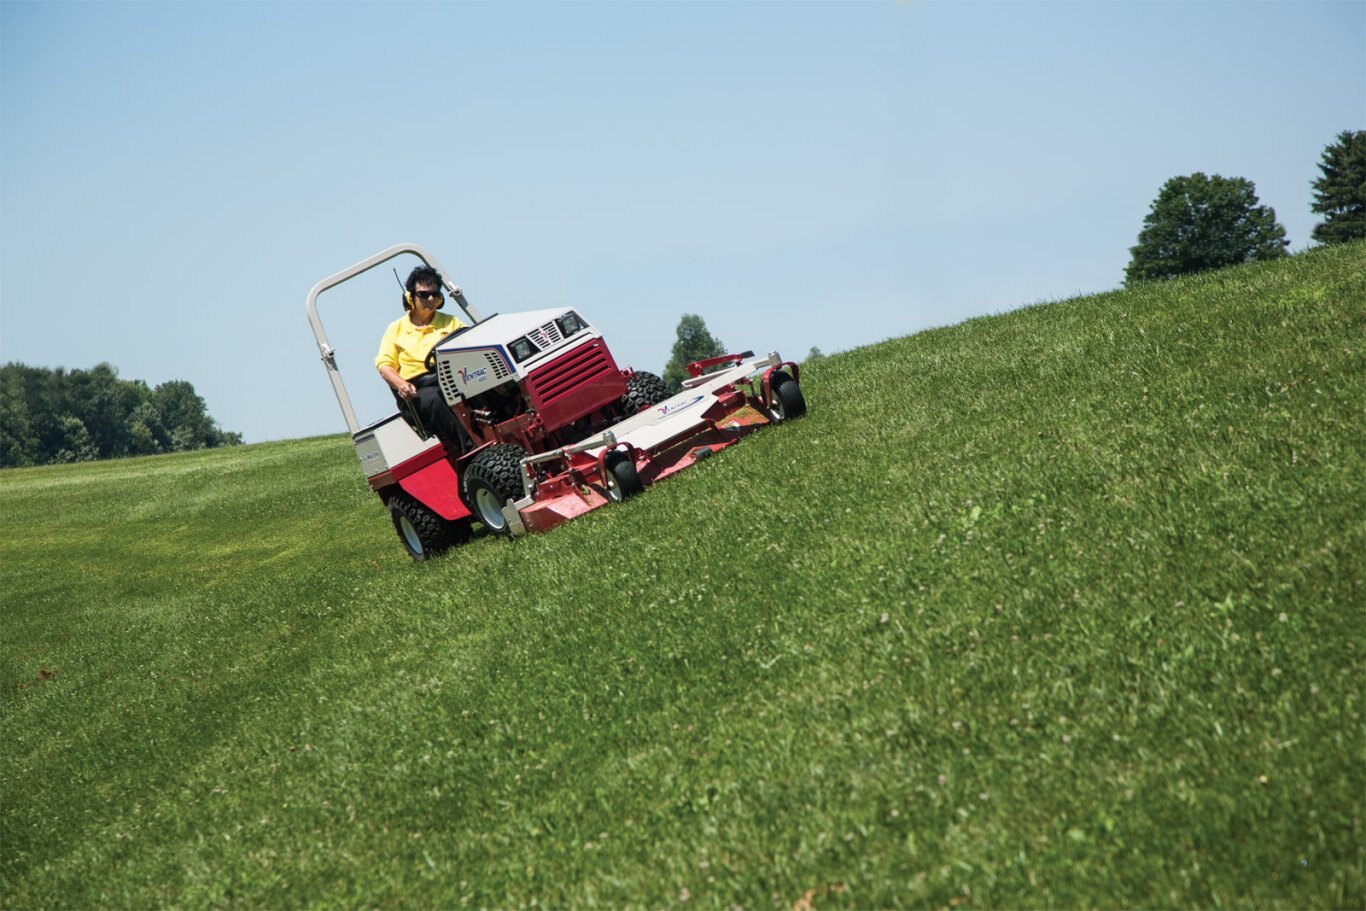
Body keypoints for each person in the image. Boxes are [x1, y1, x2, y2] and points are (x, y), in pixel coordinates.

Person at [375, 265, 473, 454]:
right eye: (423, 294)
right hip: (416, 392)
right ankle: (469, 449)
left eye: (435, 295)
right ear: (410, 297)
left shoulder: (451, 322)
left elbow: (470, 345)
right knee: (435, 398)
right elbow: (384, 366)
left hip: (453, 380)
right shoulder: (395, 329)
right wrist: (401, 384)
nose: (430, 299)